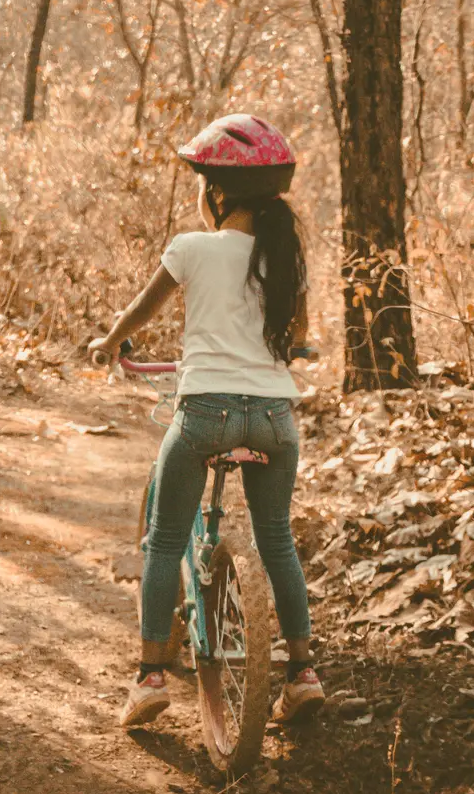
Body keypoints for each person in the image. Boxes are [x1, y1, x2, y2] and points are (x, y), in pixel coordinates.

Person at [87, 114, 323, 728]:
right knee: (276, 540)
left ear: (216, 192)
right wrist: (290, 351)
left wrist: (110, 341)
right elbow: (294, 334)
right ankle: (302, 672)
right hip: (275, 418)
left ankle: (148, 678)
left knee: (164, 540)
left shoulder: (192, 248)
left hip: (205, 415)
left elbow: (143, 308)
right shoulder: (286, 256)